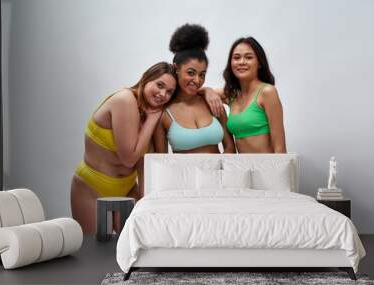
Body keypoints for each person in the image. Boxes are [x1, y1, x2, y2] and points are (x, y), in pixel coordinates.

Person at [71, 62, 176, 234]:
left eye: (170, 92)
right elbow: (129, 159)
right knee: (95, 253)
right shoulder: (125, 100)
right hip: (92, 187)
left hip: (126, 189)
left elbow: (144, 164)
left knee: (133, 249)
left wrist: (145, 204)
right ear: (146, 79)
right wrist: (151, 120)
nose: (163, 94)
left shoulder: (150, 111)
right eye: (160, 85)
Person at [153, 24, 235, 154]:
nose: (197, 80)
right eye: (191, 73)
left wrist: (218, 172)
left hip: (218, 173)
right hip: (183, 174)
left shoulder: (213, 103)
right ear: (176, 69)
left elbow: (230, 147)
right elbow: (161, 160)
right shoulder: (163, 112)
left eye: (202, 74)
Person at [202, 37, 286, 153]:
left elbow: (280, 149)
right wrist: (208, 91)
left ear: (260, 63)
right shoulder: (231, 95)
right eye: (236, 58)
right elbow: (196, 92)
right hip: (241, 167)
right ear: (231, 63)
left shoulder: (267, 92)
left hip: (267, 168)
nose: (241, 62)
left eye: (249, 57)